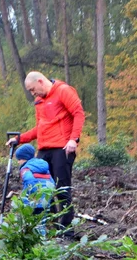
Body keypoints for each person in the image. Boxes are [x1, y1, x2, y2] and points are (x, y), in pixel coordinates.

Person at [9, 71, 85, 230]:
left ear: (40, 81)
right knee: (41, 188)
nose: (32, 93)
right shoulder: (39, 101)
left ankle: (66, 231)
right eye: (30, 91)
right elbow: (39, 128)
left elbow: (78, 113)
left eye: (32, 89)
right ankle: (47, 226)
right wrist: (19, 139)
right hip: (44, 150)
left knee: (61, 190)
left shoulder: (63, 91)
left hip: (62, 148)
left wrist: (73, 139)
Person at [14, 144, 57, 212]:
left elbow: (29, 181)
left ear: (25, 158)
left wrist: (26, 197)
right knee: (43, 219)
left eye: (19, 159)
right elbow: (51, 181)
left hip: (34, 201)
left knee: (32, 219)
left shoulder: (26, 169)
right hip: (46, 200)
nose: (18, 162)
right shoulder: (44, 166)